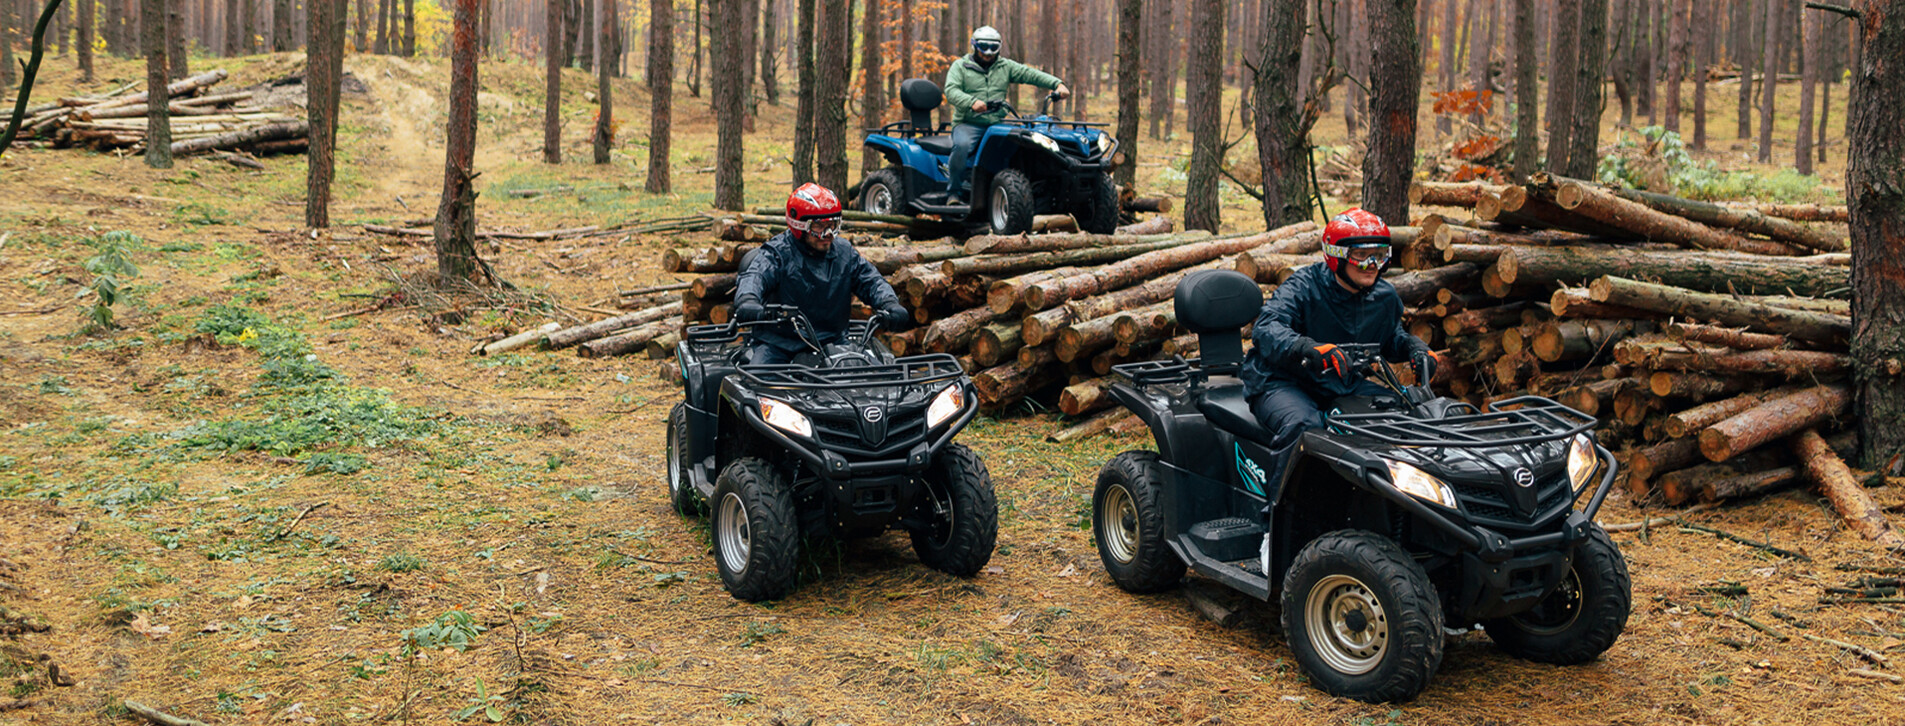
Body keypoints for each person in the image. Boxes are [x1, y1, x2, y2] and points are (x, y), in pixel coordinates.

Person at [1240, 208, 1437, 448]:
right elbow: (1267, 326)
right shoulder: (1303, 286)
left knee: (1402, 416)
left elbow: (1389, 338)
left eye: (1380, 254)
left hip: (1340, 384)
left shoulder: (1384, 297)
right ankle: (1283, 486)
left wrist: (1412, 347)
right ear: (1336, 255)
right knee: (1304, 428)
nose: (1373, 264)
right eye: (1362, 255)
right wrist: (1304, 347)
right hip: (1280, 382)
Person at [733, 183, 913, 366]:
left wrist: (889, 302)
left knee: (878, 380)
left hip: (833, 343)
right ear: (799, 225)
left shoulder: (845, 253)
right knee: (757, 384)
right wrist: (748, 300)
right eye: (819, 226)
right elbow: (755, 276)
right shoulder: (777, 253)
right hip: (780, 345)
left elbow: (871, 280)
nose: (828, 234)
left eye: (833, 225)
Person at [940, 26, 1070, 205]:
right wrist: (971, 102)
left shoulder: (1005, 66)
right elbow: (951, 90)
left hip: (997, 123)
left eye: (993, 48)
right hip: (969, 123)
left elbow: (1030, 74)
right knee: (961, 147)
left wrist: (1057, 83)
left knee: (1024, 146)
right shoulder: (960, 66)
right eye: (983, 47)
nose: (988, 52)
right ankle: (953, 194)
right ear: (974, 46)